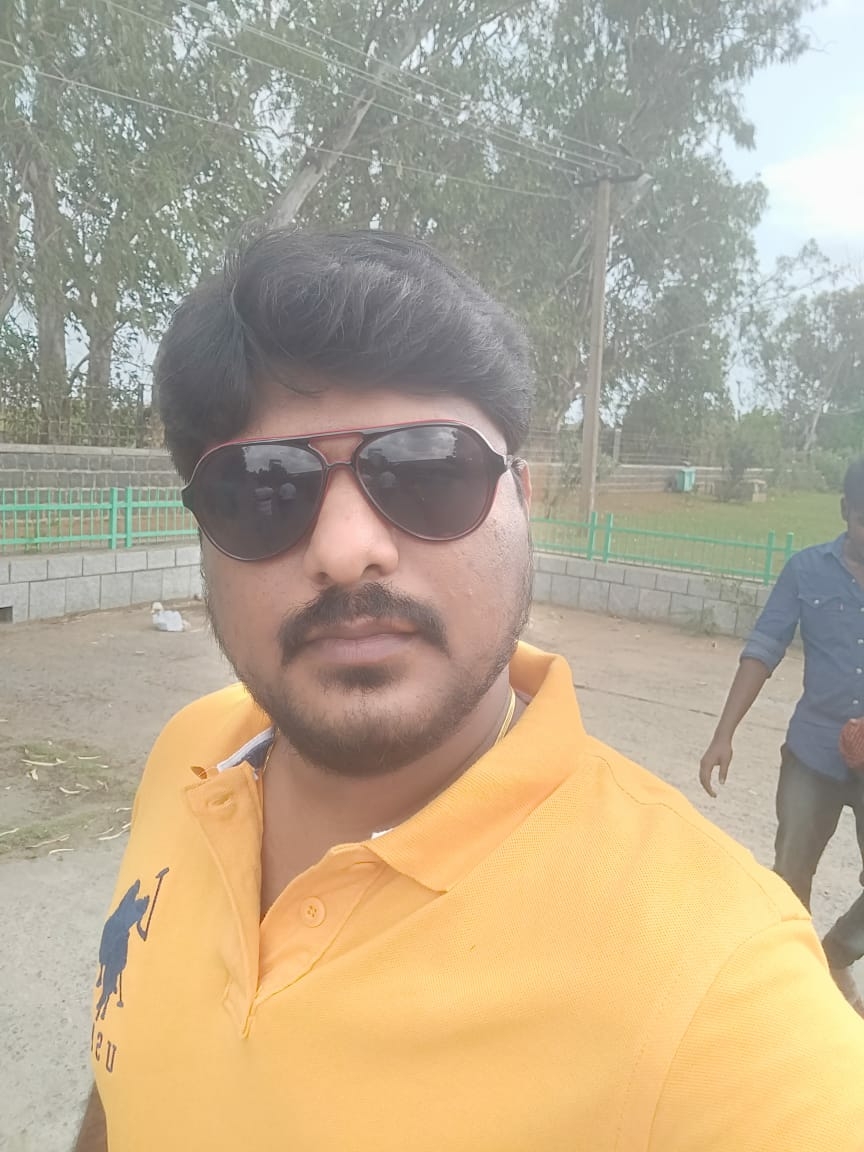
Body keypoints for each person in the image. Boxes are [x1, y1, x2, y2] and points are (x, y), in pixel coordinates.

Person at [76, 229, 864, 1152]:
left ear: (523, 501)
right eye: (260, 491)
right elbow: (130, 1069)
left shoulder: (721, 990)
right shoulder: (192, 754)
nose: (345, 550)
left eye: (426, 472)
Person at [700, 458, 864, 1012]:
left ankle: (835, 954)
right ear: (845, 512)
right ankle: (790, 993)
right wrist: (724, 734)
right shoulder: (806, 571)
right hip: (812, 754)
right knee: (790, 874)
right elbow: (764, 649)